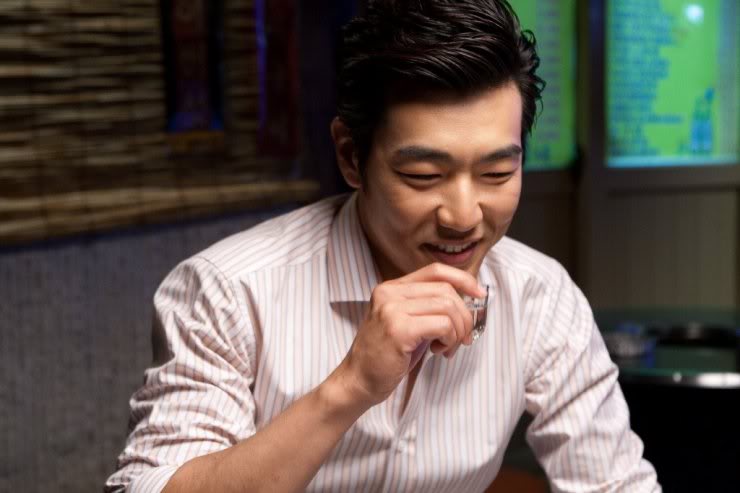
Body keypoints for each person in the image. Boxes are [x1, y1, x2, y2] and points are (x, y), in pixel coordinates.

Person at [106, 1, 661, 491]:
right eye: (423, 175)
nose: (464, 216)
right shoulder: (228, 291)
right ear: (351, 157)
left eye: (496, 173)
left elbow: (616, 483)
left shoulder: (540, 296)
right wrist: (350, 386)